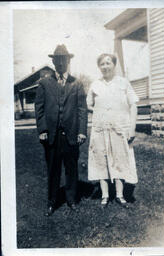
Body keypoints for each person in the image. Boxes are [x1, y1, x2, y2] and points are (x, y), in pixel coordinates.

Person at [35, 44, 87, 216]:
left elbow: (82, 109)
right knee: (53, 169)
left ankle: (71, 199)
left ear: (68, 61)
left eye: (64, 59)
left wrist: (81, 131)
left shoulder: (77, 83)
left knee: (71, 168)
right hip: (51, 135)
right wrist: (42, 129)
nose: (61, 63)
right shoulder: (44, 83)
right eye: (57, 59)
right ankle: (52, 201)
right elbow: (39, 108)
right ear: (53, 61)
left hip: (71, 134)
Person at [87, 53, 138, 208]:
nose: (105, 66)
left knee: (120, 158)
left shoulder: (123, 83)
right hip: (100, 129)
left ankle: (120, 196)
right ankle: (104, 196)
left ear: (114, 65)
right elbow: (88, 104)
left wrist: (132, 128)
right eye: (102, 64)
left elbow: (134, 105)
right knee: (100, 159)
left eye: (108, 63)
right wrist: (100, 111)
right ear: (99, 67)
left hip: (119, 128)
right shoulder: (95, 84)